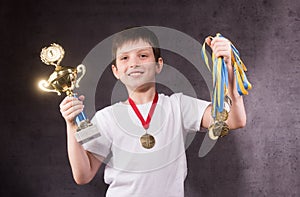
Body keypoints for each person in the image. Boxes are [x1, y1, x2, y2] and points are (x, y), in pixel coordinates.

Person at [59, 27, 246, 197]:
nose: (133, 63)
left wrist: (229, 70)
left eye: (143, 55)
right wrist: (71, 125)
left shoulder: (178, 106)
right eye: (125, 58)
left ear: (159, 65)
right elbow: (83, 175)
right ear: (116, 71)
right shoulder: (106, 118)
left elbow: (234, 121)